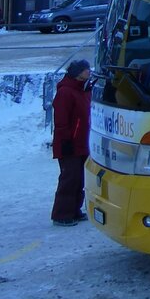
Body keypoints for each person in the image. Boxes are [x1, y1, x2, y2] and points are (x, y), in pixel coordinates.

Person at [51, 59, 92, 226]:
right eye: (85, 69)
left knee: (79, 178)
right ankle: (61, 214)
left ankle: (74, 210)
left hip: (82, 143)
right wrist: (65, 141)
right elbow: (61, 120)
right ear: (77, 73)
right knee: (69, 178)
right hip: (69, 144)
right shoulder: (66, 92)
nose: (89, 71)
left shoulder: (83, 90)